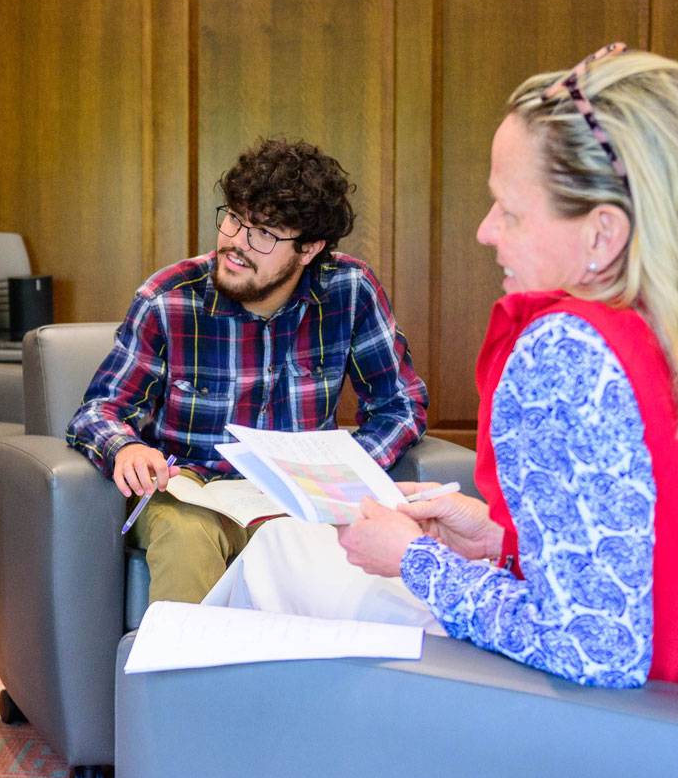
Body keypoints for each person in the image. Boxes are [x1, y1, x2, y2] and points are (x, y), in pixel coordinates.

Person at [218, 45, 678, 690]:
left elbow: (596, 650)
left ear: (603, 234)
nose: (486, 232)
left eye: (509, 211)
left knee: (281, 551)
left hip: (593, 719)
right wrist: (491, 538)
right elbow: (645, 553)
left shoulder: (572, 352)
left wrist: (415, 559)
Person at [67, 137, 429, 604]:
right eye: (235, 219)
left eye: (263, 233)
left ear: (309, 248)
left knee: (324, 548)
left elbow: (400, 404)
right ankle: (182, 675)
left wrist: (339, 472)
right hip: (189, 486)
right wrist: (127, 447)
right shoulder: (169, 297)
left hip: (295, 492)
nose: (236, 243)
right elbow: (98, 410)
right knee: (187, 534)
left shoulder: (350, 291)